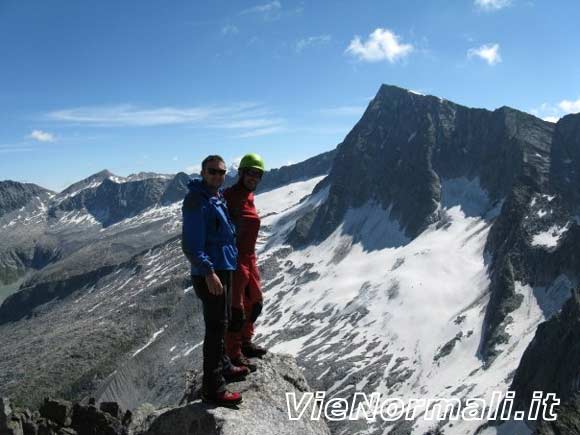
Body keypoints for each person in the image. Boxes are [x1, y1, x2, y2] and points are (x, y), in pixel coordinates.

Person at [181, 155, 248, 407]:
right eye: (212, 172)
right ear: (202, 172)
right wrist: (209, 272)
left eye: (221, 172)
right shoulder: (196, 200)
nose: (217, 176)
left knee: (224, 321)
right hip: (210, 273)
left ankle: (225, 366)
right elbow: (191, 245)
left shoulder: (215, 196)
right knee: (215, 329)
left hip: (224, 266)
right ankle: (213, 388)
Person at [223, 153, 268, 371]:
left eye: (258, 174)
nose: (254, 177)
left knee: (255, 302)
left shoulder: (249, 196)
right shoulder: (229, 196)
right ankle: (233, 354)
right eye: (250, 172)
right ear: (240, 173)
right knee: (236, 308)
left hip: (250, 258)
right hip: (235, 258)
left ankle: (246, 342)